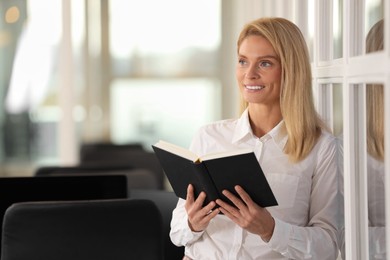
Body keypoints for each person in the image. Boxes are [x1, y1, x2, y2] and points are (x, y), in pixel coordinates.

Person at [170, 17, 340, 259]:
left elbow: (329, 246)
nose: (249, 74)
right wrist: (192, 223)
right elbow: (177, 234)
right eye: (242, 61)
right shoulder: (209, 136)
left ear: (291, 70)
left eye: (265, 64)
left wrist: (271, 230)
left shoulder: (322, 148)